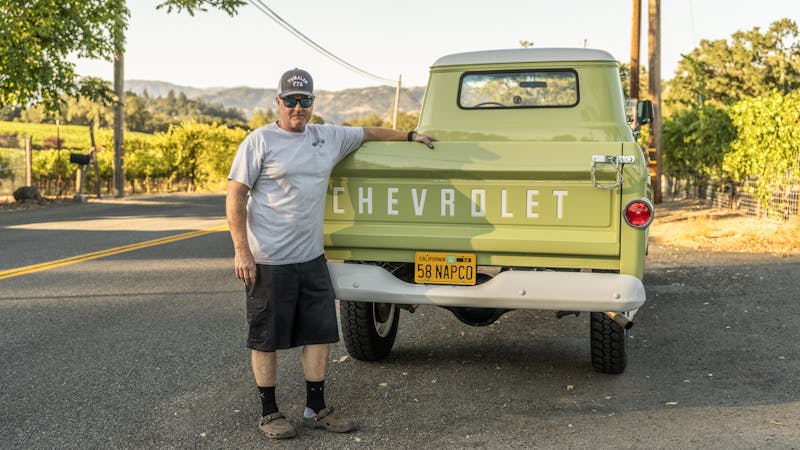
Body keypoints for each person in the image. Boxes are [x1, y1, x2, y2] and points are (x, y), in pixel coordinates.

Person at [226, 68, 436, 440]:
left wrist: (409, 135)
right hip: (269, 261)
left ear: (313, 104)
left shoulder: (327, 137)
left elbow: (368, 132)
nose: (297, 107)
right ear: (278, 102)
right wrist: (242, 251)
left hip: (311, 259)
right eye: (290, 100)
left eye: (304, 100)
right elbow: (236, 196)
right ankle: (269, 412)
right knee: (266, 338)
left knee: (319, 335)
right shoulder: (259, 141)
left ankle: (315, 408)